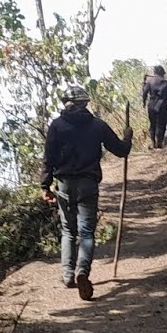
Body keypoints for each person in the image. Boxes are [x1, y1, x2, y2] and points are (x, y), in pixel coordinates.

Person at [40, 85, 133, 301]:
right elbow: (121, 150)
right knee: (86, 232)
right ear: (85, 104)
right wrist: (127, 137)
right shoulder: (97, 125)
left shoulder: (56, 126)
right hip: (88, 184)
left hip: (63, 183)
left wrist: (45, 186)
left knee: (68, 230)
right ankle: (83, 271)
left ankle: (67, 275)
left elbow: (48, 159)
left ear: (66, 104)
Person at [141, 65, 167, 149]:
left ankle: (153, 143)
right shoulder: (165, 82)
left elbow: (144, 93)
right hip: (162, 105)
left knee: (152, 124)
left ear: (154, 72)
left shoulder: (149, 81)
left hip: (151, 104)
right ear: (162, 73)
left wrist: (143, 103)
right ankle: (159, 144)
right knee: (161, 124)